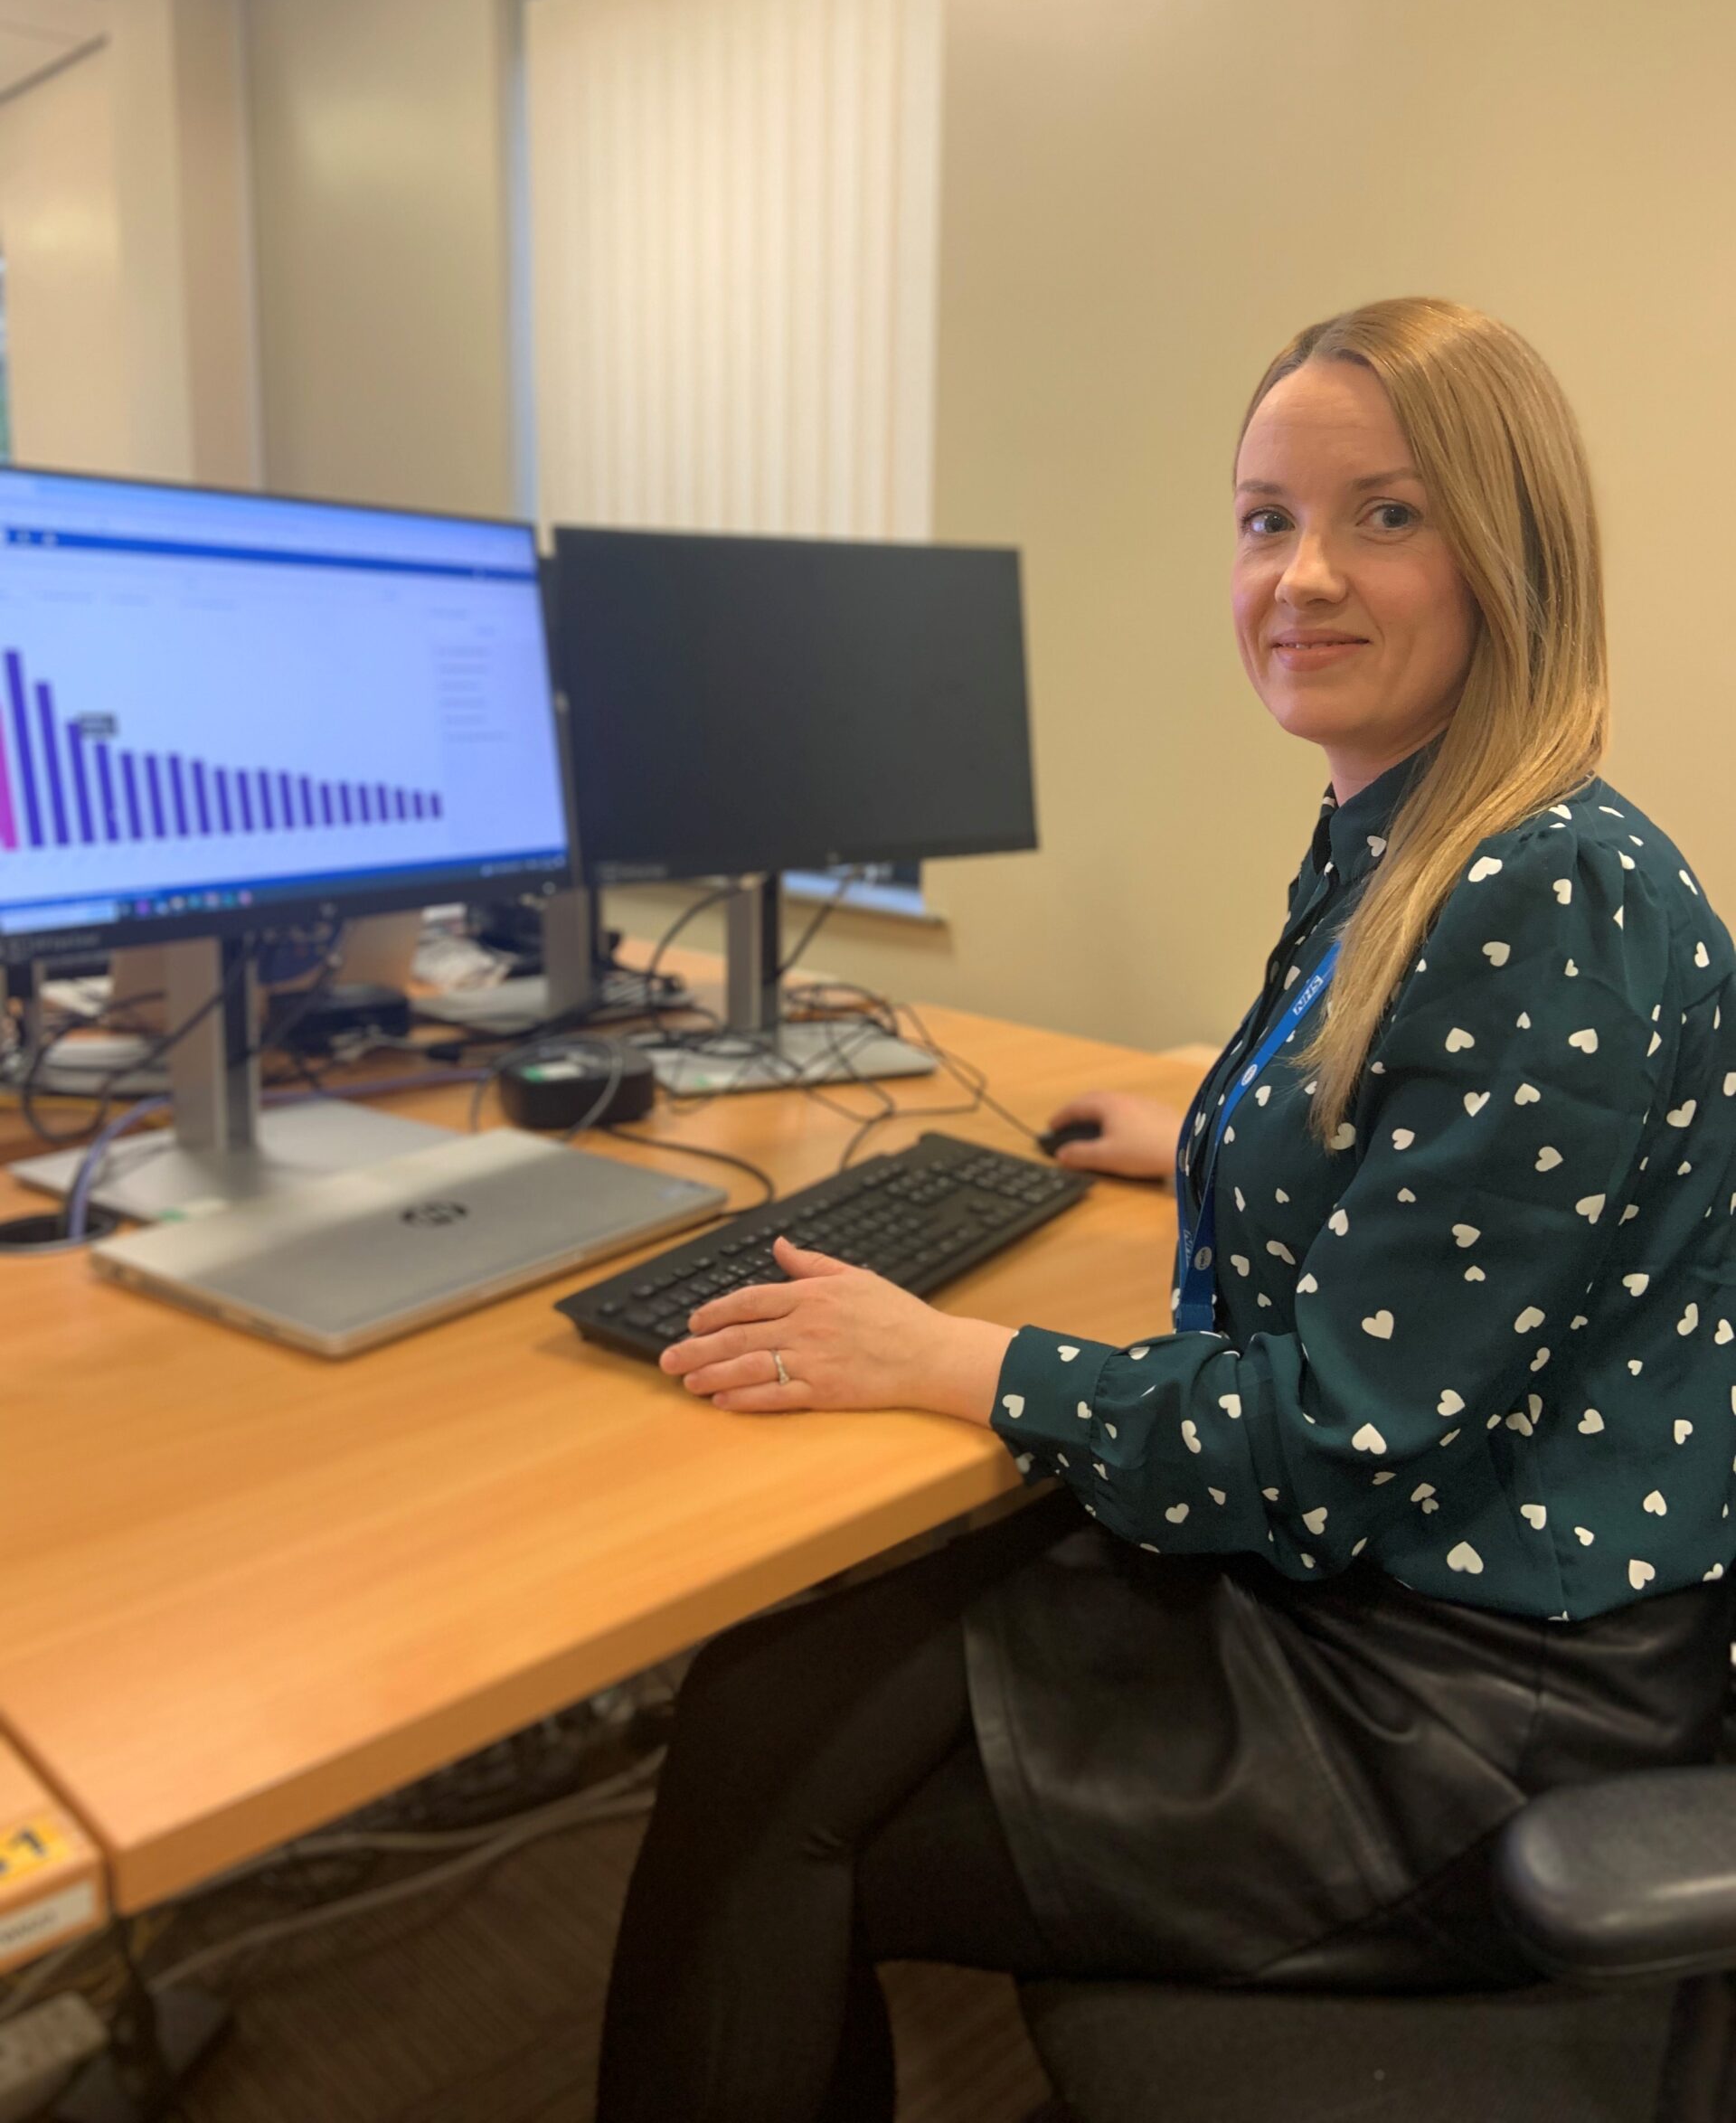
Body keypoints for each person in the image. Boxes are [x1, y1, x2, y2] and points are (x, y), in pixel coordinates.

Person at [596, 297, 1736, 2123]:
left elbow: (1338, 1440)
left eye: (1386, 513)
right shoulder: (1431, 826)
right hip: (1386, 1591)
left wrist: (951, 1355)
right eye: (1264, 516)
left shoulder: (1553, 894)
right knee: (755, 1698)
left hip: (1471, 1697)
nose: (1301, 575)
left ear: (1510, 550)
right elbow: (1415, 1120)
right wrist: (1208, 1118)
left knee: (767, 1834)